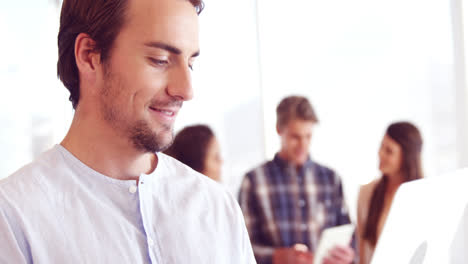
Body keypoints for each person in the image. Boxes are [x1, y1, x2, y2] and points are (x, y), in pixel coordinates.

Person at [0, 0, 255, 263]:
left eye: (189, 63)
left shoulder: (217, 209)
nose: (186, 90)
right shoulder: (14, 218)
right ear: (89, 56)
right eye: (160, 60)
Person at [238, 95, 355, 264]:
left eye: (308, 136)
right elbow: (241, 246)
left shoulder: (331, 179)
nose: (303, 145)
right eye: (295, 137)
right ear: (279, 129)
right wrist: (276, 257)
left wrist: (349, 255)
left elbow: (350, 239)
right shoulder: (254, 181)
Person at [356, 121, 423, 264]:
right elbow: (362, 248)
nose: (380, 154)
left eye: (389, 151)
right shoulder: (366, 193)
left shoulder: (424, 194)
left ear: (407, 157)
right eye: (381, 146)